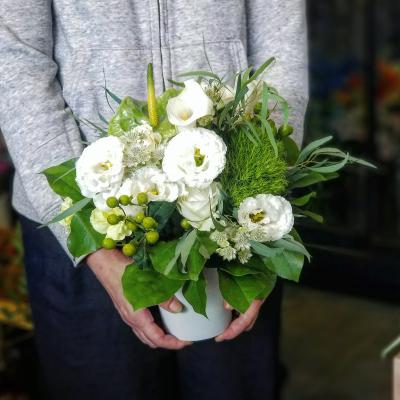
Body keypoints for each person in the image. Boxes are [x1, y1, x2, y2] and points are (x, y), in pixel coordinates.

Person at [0, 1, 308, 399]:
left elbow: (280, 47)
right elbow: (16, 55)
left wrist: (259, 210)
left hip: (231, 208)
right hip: (84, 219)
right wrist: (90, 242)